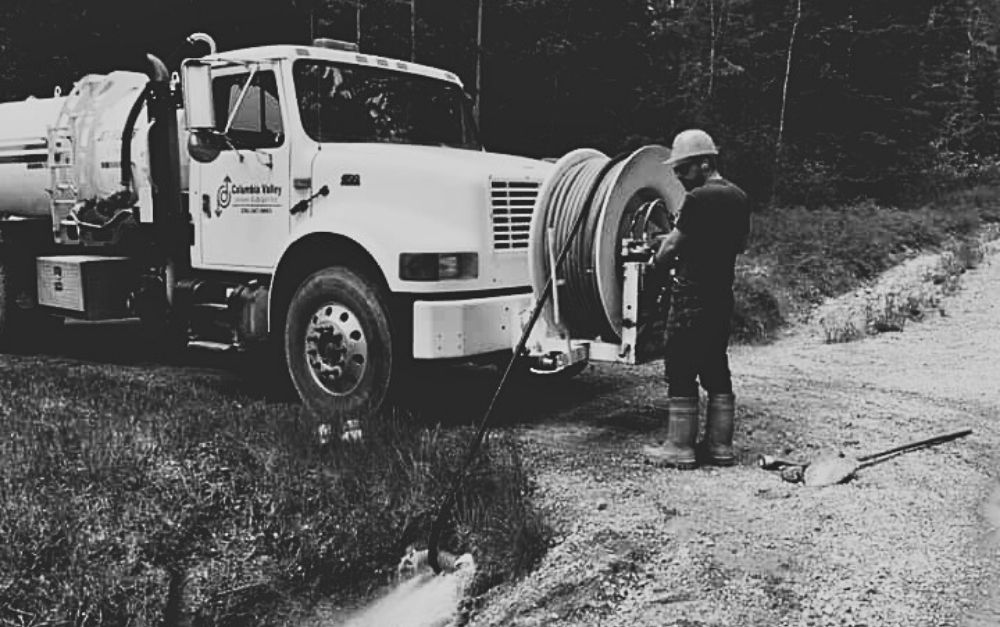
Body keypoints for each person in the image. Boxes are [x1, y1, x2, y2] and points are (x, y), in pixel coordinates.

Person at [643, 129, 751, 469]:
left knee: (680, 364)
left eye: (683, 169)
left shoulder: (699, 198)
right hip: (721, 295)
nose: (678, 177)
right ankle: (720, 447)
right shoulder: (739, 196)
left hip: (691, 296)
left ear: (705, 164)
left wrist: (654, 262)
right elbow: (737, 245)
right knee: (715, 366)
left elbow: (673, 244)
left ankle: (679, 447)